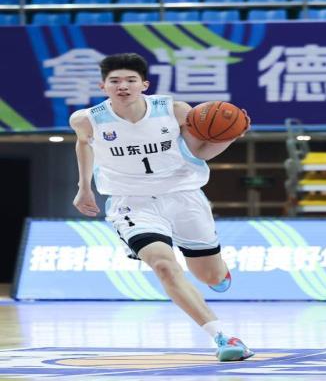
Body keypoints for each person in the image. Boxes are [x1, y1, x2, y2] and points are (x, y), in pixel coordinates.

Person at [70, 52, 254, 361]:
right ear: (103, 87)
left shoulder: (174, 110)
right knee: (164, 266)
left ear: (144, 84)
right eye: (115, 81)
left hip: (183, 196)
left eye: (130, 80)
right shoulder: (86, 119)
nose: (123, 86)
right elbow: (83, 145)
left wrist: (231, 135)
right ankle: (223, 337)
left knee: (210, 277)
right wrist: (84, 187)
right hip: (131, 203)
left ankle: (218, 274)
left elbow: (201, 150)